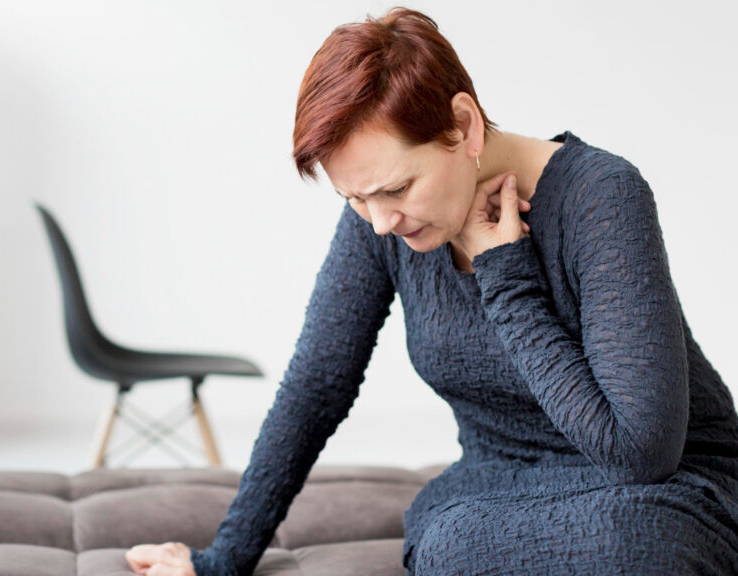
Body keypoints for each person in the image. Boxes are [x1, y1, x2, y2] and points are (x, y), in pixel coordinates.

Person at [126, 6, 738, 575]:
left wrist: (507, 281)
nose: (381, 220)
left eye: (396, 188)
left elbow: (639, 454)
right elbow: (316, 386)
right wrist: (221, 560)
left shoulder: (602, 196)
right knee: (449, 543)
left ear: (465, 125)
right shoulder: (378, 218)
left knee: (627, 544)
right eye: (354, 199)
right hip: (497, 488)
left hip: (665, 490)